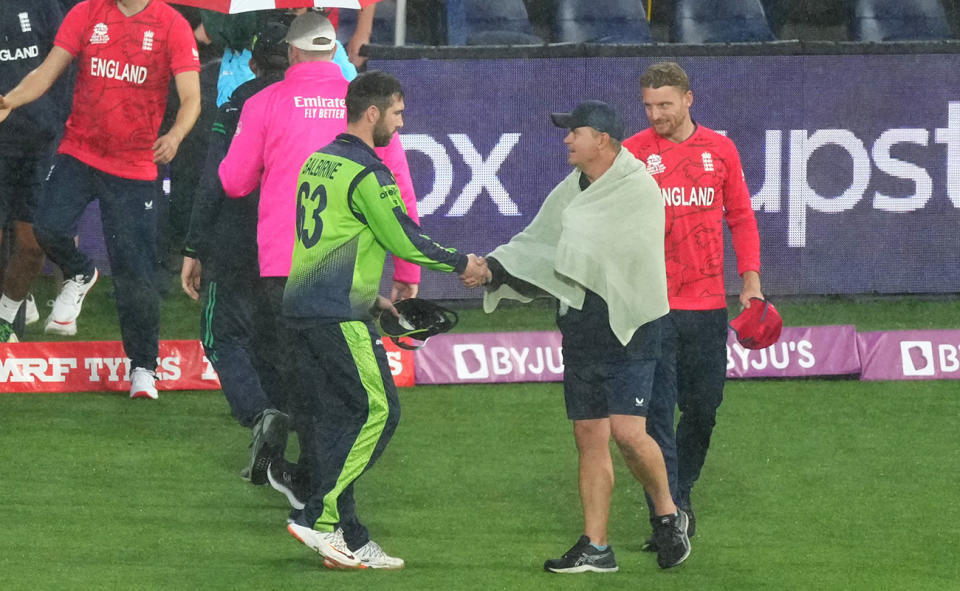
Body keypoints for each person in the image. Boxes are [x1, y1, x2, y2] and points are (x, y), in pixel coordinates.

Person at [472, 100, 691, 571]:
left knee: (630, 434)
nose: (567, 139)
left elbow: (577, 256)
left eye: (576, 132)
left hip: (632, 327)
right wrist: (493, 269)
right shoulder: (571, 188)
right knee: (590, 434)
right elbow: (539, 244)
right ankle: (596, 546)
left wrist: (515, 270)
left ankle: (669, 515)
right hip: (583, 327)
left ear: (603, 141)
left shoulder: (638, 190)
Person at [283, 70, 487, 571]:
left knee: (341, 420)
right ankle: (321, 520)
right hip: (336, 317)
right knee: (379, 412)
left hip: (305, 310)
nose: (400, 124)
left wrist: (373, 299)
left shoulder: (319, 161)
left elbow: (324, 241)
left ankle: (349, 536)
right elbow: (405, 239)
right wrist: (466, 264)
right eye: (397, 113)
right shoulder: (368, 172)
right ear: (372, 113)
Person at [216, 12, 421, 503]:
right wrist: (408, 271)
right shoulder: (361, 108)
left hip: (284, 264)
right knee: (345, 383)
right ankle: (318, 490)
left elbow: (233, 181)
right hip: (345, 268)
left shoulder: (265, 102)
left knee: (297, 377)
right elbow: (401, 192)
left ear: (291, 51)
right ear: (334, 50)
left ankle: (312, 488)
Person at [0, 0, 201, 399]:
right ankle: (81, 271)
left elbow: (191, 97)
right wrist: (12, 100)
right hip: (79, 150)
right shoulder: (86, 13)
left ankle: (143, 367)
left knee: (135, 275)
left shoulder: (170, 25)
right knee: (46, 226)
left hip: (134, 165)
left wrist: (175, 135)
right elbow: (46, 71)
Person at [623, 62, 763, 547]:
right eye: (648, 105)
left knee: (703, 409)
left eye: (664, 104)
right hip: (652, 307)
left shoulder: (720, 150)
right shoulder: (633, 154)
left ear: (688, 100)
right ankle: (669, 513)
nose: (655, 113)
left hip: (707, 307)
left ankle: (679, 493)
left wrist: (751, 282)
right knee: (657, 416)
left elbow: (742, 218)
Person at [180, 21, 292, 485]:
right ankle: (277, 448)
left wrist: (193, 246)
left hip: (236, 237)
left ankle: (259, 414)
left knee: (224, 337)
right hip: (292, 241)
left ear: (251, 58)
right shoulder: (323, 106)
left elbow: (216, 178)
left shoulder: (239, 100)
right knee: (275, 343)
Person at [0, 0, 68, 343]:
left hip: (40, 142)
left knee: (32, 243)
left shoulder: (41, 4)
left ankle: (5, 318)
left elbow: (61, 60)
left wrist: (56, 118)